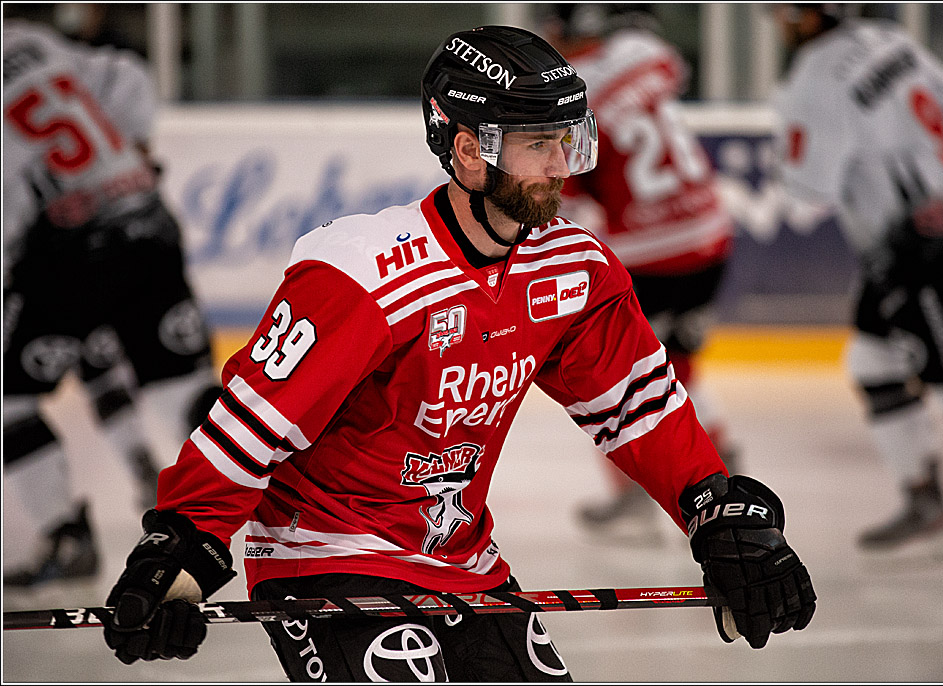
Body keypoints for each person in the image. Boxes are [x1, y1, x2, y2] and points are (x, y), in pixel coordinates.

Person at [99, 26, 816, 680]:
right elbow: (250, 424)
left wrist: (712, 508)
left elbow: (637, 405)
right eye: (537, 143)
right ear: (469, 150)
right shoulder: (361, 274)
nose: (560, 164)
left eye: (566, 139)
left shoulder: (573, 266)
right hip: (326, 560)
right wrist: (182, 552)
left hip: (464, 563)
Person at [770, 4, 943, 554]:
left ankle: (933, 497)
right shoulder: (888, 38)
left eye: (786, 10)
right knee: (873, 361)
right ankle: (923, 498)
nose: (777, 20)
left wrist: (790, 143)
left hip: (917, 250)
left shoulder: (815, 75)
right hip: (935, 228)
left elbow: (810, 190)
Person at [3, 21, 222, 587]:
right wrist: (125, 160)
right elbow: (126, 75)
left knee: (10, 402)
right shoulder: (29, 38)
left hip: (65, 254)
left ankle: (66, 536)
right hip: (146, 221)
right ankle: (281, 503)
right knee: (183, 386)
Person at [541, 4, 740, 544]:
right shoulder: (642, 55)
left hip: (652, 254)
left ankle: (638, 491)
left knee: (607, 370)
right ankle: (721, 458)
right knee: (678, 360)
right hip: (709, 235)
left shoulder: (564, 99)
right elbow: (671, 67)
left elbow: (571, 198)